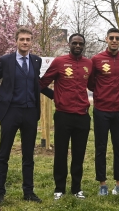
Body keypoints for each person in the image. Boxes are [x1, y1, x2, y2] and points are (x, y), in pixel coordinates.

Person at [0, 27, 52, 204]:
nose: (25, 42)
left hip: (30, 113)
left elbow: (39, 85)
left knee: (28, 155)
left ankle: (28, 192)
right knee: (3, 154)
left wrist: (59, 96)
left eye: (28, 39)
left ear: (31, 42)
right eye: (22, 39)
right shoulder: (6, 60)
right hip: (10, 112)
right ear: (16, 41)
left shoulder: (36, 61)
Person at [40, 33, 92, 200]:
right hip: (63, 116)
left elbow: (93, 84)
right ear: (69, 44)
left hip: (83, 116)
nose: (78, 46)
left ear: (84, 46)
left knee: (79, 153)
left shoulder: (88, 64)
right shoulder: (59, 62)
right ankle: (59, 188)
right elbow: (41, 84)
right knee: (61, 153)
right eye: (75, 43)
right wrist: (56, 96)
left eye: (81, 44)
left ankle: (77, 188)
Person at [88, 28, 119, 196]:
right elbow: (91, 83)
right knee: (101, 147)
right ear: (106, 39)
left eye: (117, 38)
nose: (114, 40)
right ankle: (102, 184)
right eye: (111, 38)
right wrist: (101, 94)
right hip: (101, 110)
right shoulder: (96, 59)